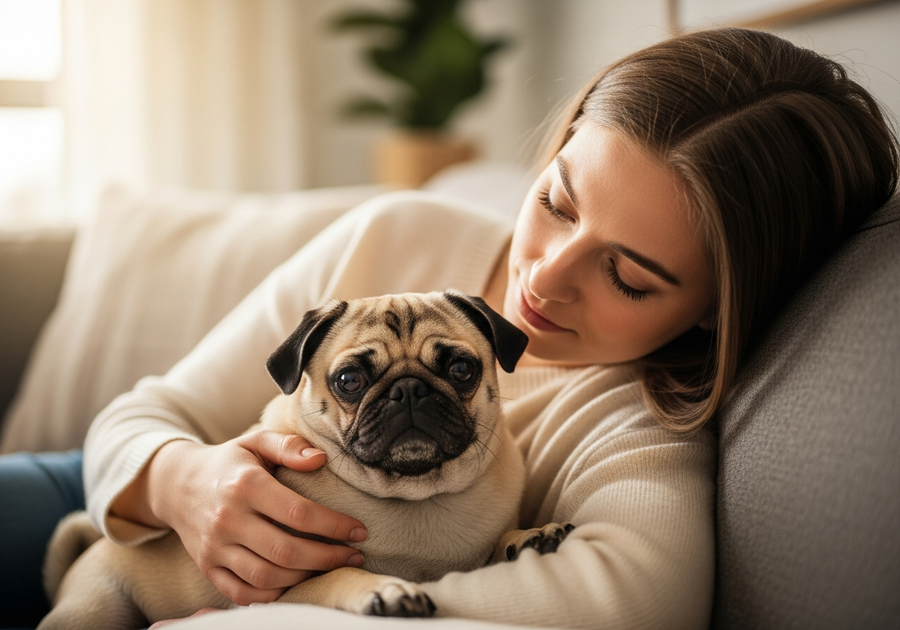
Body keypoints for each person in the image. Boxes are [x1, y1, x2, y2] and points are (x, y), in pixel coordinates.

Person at [1, 27, 897, 630]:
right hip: (111, 503)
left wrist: (363, 587)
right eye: (555, 200)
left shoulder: (633, 419)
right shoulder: (395, 235)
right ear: (557, 144)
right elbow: (139, 416)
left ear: (713, 310)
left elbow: (637, 595)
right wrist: (184, 482)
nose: (543, 273)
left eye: (626, 273)